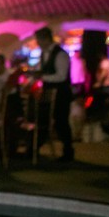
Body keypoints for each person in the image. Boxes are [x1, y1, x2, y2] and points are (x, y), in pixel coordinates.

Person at [31, 25, 75, 162]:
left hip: (61, 93)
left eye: (39, 40)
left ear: (45, 39)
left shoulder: (60, 54)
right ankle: (36, 148)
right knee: (44, 119)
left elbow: (61, 76)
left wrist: (42, 77)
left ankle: (68, 151)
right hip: (48, 92)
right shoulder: (44, 54)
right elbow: (41, 69)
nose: (37, 43)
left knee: (61, 121)